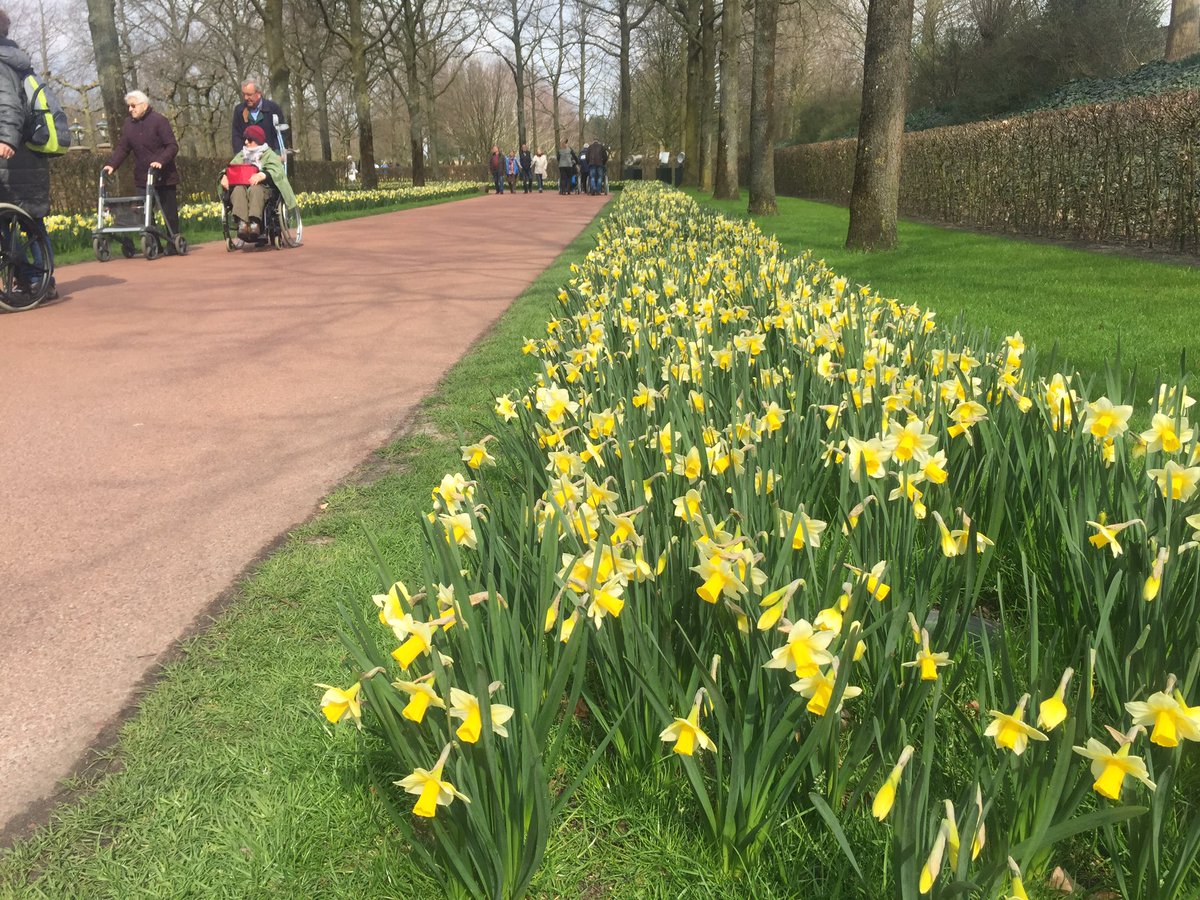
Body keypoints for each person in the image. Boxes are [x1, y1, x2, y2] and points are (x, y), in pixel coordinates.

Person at [0, 9, 54, 298]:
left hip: (17, 154)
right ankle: (25, 277)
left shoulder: (3, 63)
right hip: (14, 156)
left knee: (29, 219)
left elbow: (8, 105)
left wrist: (6, 139)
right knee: (14, 220)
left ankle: (39, 281)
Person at [104, 90, 182, 250]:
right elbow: (123, 148)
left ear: (144, 105)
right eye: (129, 106)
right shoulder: (128, 124)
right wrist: (112, 164)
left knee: (169, 213)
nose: (130, 109)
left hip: (164, 175)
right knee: (144, 212)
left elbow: (172, 146)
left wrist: (160, 161)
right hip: (143, 176)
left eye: (133, 106)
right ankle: (154, 244)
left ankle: (173, 242)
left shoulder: (160, 121)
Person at [219, 124, 296, 243]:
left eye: (249, 139)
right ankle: (242, 223)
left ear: (257, 140)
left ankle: (255, 223)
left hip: (264, 188)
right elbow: (231, 167)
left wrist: (262, 175)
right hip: (243, 188)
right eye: (245, 139)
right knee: (238, 189)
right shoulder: (242, 155)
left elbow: (277, 170)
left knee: (256, 190)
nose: (245, 142)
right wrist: (224, 176)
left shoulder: (268, 154)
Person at [231, 76, 285, 155]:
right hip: (247, 158)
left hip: (269, 157)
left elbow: (280, 134)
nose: (246, 98)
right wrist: (240, 156)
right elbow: (236, 136)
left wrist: (277, 154)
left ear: (259, 94)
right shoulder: (239, 111)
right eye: (244, 94)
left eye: (249, 95)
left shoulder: (273, 109)